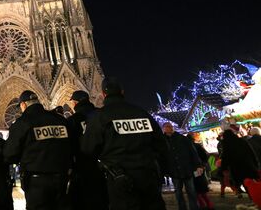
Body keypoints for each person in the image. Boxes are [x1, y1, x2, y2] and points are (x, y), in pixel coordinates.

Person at [82, 78, 167, 210]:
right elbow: (161, 144)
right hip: (147, 175)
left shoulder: (99, 117)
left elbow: (88, 149)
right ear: (122, 92)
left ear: (103, 94)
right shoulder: (141, 113)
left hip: (119, 178)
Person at [4, 90, 73, 209]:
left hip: (36, 182)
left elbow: (10, 154)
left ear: (23, 105)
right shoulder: (60, 120)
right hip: (62, 178)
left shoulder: (22, 123)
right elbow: (73, 145)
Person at [65, 90, 108, 210]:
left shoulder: (73, 120)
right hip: (106, 169)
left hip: (82, 170)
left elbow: (68, 147)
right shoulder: (103, 114)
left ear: (75, 103)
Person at [162, 122, 202, 210]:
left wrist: (198, 165)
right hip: (174, 171)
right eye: (167, 127)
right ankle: (182, 208)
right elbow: (163, 157)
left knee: (191, 191)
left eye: (170, 126)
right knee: (178, 193)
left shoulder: (182, 138)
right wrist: (165, 170)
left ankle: (194, 207)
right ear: (163, 129)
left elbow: (193, 152)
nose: (169, 128)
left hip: (187, 169)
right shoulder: (162, 141)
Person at [221, 128, 259, 195]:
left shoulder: (226, 144)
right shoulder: (242, 141)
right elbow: (251, 152)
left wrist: (224, 168)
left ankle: (252, 197)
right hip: (249, 165)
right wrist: (255, 163)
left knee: (246, 183)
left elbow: (225, 157)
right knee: (254, 182)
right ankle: (256, 197)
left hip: (237, 168)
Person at [187, 134, 214, 210]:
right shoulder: (197, 146)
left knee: (196, 189)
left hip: (192, 169)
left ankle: (203, 205)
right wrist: (203, 164)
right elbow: (206, 155)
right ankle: (209, 205)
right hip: (200, 168)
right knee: (202, 188)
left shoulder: (187, 148)